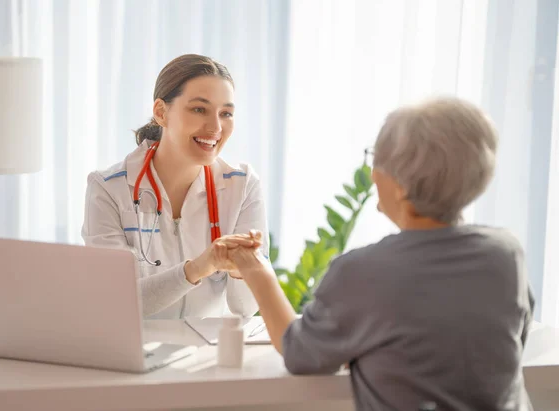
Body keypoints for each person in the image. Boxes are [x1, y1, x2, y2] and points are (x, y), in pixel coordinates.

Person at [224, 97, 534, 410]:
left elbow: (300, 353)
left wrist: (256, 270)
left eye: (376, 159)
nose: (371, 173)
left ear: (401, 187)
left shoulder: (362, 271)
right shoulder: (506, 253)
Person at [82, 54, 267, 319]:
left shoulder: (243, 185)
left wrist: (241, 268)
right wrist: (199, 267)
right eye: (199, 109)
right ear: (161, 112)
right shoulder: (109, 189)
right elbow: (116, 302)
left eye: (226, 113)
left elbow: (246, 308)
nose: (216, 127)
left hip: (209, 352)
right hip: (138, 350)